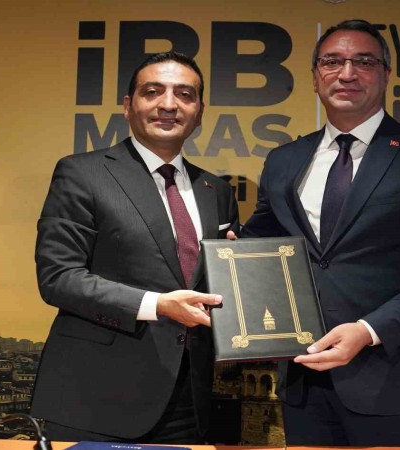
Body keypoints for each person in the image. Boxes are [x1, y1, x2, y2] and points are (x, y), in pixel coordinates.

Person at [240, 19, 400, 446]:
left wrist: (369, 330)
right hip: (303, 380)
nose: (347, 73)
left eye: (364, 62)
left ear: (385, 74)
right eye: (332, 62)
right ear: (315, 77)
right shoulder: (283, 160)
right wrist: (230, 258)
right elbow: (262, 243)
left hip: (393, 381)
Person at [31, 51, 239, 443]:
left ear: (199, 112)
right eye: (153, 91)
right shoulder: (82, 173)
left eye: (185, 94)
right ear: (128, 106)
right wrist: (157, 305)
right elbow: (58, 278)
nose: (169, 104)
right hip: (96, 394)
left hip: (191, 400)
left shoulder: (216, 191)